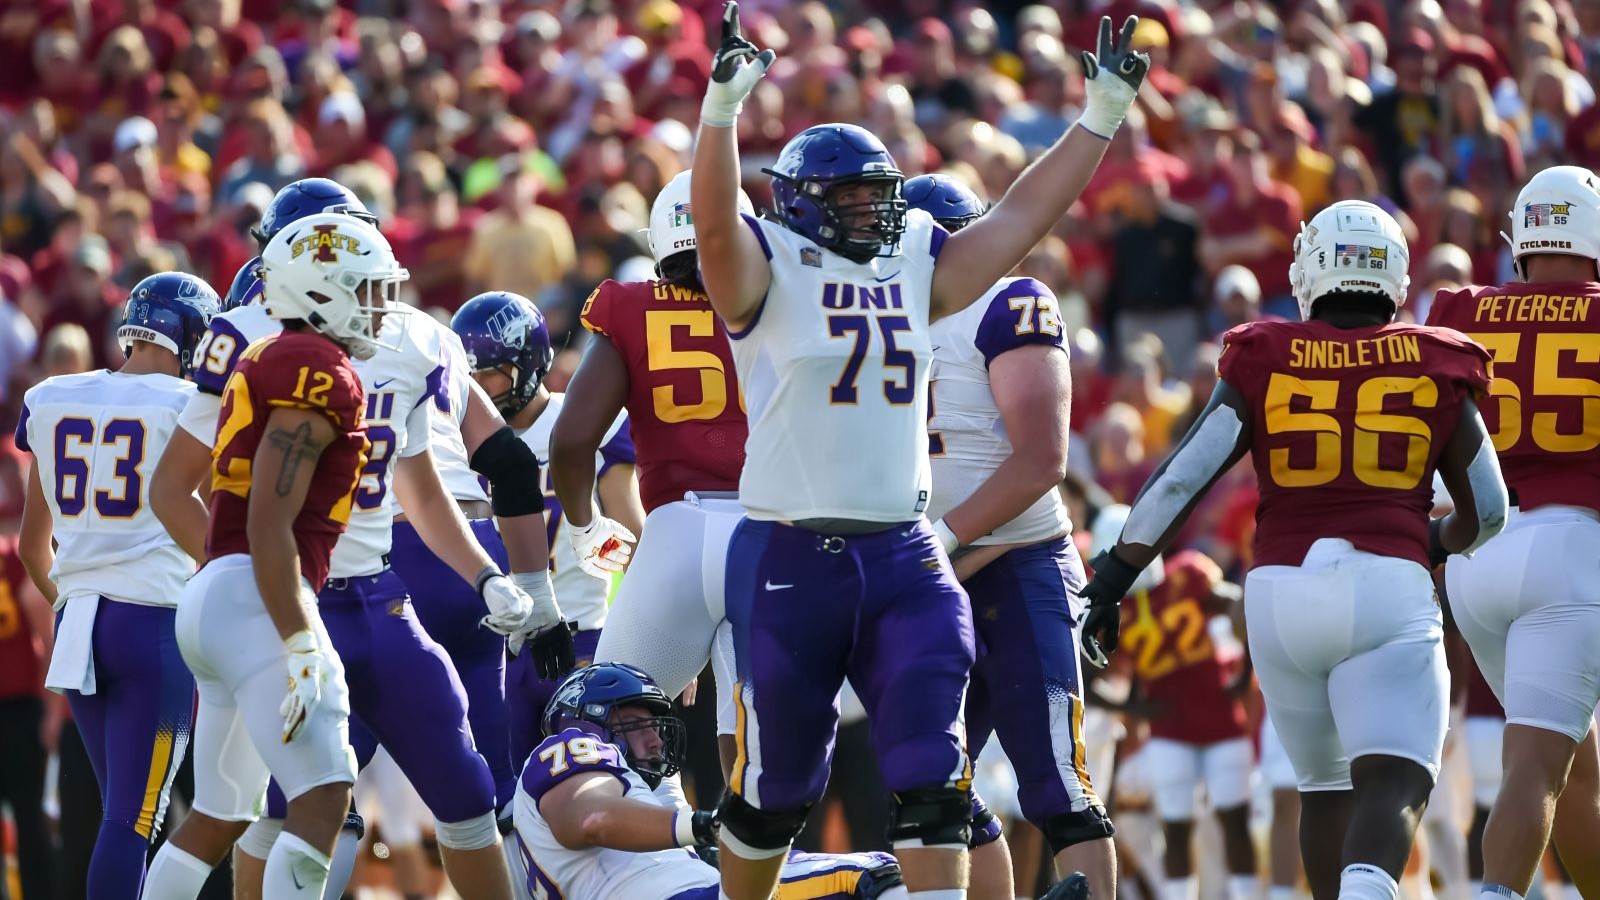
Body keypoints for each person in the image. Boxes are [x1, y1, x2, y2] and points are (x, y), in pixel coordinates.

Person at [693, 4, 1147, 894]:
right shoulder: (763, 266)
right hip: (790, 550)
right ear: (801, 203)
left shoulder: (910, 261)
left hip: (906, 554)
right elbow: (714, 229)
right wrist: (720, 114)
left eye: (880, 194)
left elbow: (1019, 221)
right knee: (775, 791)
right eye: (853, 198)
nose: (876, 210)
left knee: (936, 783)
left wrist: (1100, 115)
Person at [1078, 199, 1507, 900]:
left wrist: (1113, 578)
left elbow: (1182, 478)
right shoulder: (1436, 357)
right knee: (1395, 779)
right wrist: (1432, 539)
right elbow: (1488, 511)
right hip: (1386, 585)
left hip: (1279, 594)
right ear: (1395, 274)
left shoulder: (1265, 352)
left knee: (1323, 788)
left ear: (1311, 270)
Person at [140, 213, 390, 899]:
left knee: (220, 814)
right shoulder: (316, 367)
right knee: (324, 794)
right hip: (260, 593)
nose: (380, 307)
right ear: (324, 290)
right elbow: (270, 520)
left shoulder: (269, 353)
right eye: (367, 290)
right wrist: (299, 639)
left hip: (217, 592)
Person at [904, 173, 1115, 898]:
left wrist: (938, 541)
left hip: (1016, 563)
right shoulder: (875, 313)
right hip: (926, 575)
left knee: (1055, 779)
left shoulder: (1008, 301)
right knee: (932, 786)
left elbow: (1040, 462)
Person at [1425, 164, 1600, 899]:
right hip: (1570, 552)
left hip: (1475, 552)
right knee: (1536, 765)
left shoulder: (1460, 310)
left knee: (1574, 769)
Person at [15, 272, 217, 898]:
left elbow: (31, 547)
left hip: (77, 625)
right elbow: (218, 535)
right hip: (154, 625)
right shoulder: (191, 404)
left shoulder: (52, 396)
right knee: (133, 821)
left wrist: (76, 601)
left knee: (123, 818)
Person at [549, 169, 754, 776]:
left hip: (678, 533)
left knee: (603, 723)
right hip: (774, 531)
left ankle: (650, 829)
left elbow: (572, 440)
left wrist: (585, 526)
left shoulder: (632, 307)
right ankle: (746, 836)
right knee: (755, 736)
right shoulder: (783, 303)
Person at [513, 661, 908, 900]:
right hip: (681, 894)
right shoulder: (569, 749)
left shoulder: (643, 797)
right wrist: (707, 824)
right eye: (636, 725)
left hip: (695, 889)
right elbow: (589, 817)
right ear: (588, 723)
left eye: (656, 727)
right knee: (872, 873)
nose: (655, 740)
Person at [452, 290, 642, 772]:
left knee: (608, 780)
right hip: (499, 649)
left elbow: (634, 534)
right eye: (467, 377)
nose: (476, 388)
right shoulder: (455, 439)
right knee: (501, 796)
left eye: (488, 373)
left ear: (528, 363)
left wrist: (658, 634)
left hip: (583, 640)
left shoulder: (581, 421)